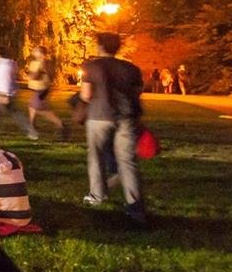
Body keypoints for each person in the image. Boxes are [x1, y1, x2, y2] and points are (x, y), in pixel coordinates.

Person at [81, 32, 147, 225]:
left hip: (99, 116)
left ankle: (98, 195)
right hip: (126, 117)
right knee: (127, 161)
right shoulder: (131, 69)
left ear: (100, 46)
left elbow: (86, 95)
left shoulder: (91, 66)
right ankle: (135, 206)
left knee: (96, 157)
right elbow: (137, 93)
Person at [0, 51, 38, 140]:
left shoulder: (2, 66)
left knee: (0, 113)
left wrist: (5, 95)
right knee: (0, 112)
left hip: (2, 93)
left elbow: (5, 80)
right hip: (4, 92)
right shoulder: (7, 63)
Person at [25, 46, 66, 139]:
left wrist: (37, 72)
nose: (33, 52)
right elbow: (51, 76)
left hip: (41, 89)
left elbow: (33, 77)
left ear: (41, 53)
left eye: (36, 51)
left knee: (41, 109)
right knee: (31, 106)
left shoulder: (42, 63)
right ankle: (32, 126)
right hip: (40, 88)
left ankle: (60, 124)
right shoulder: (43, 63)